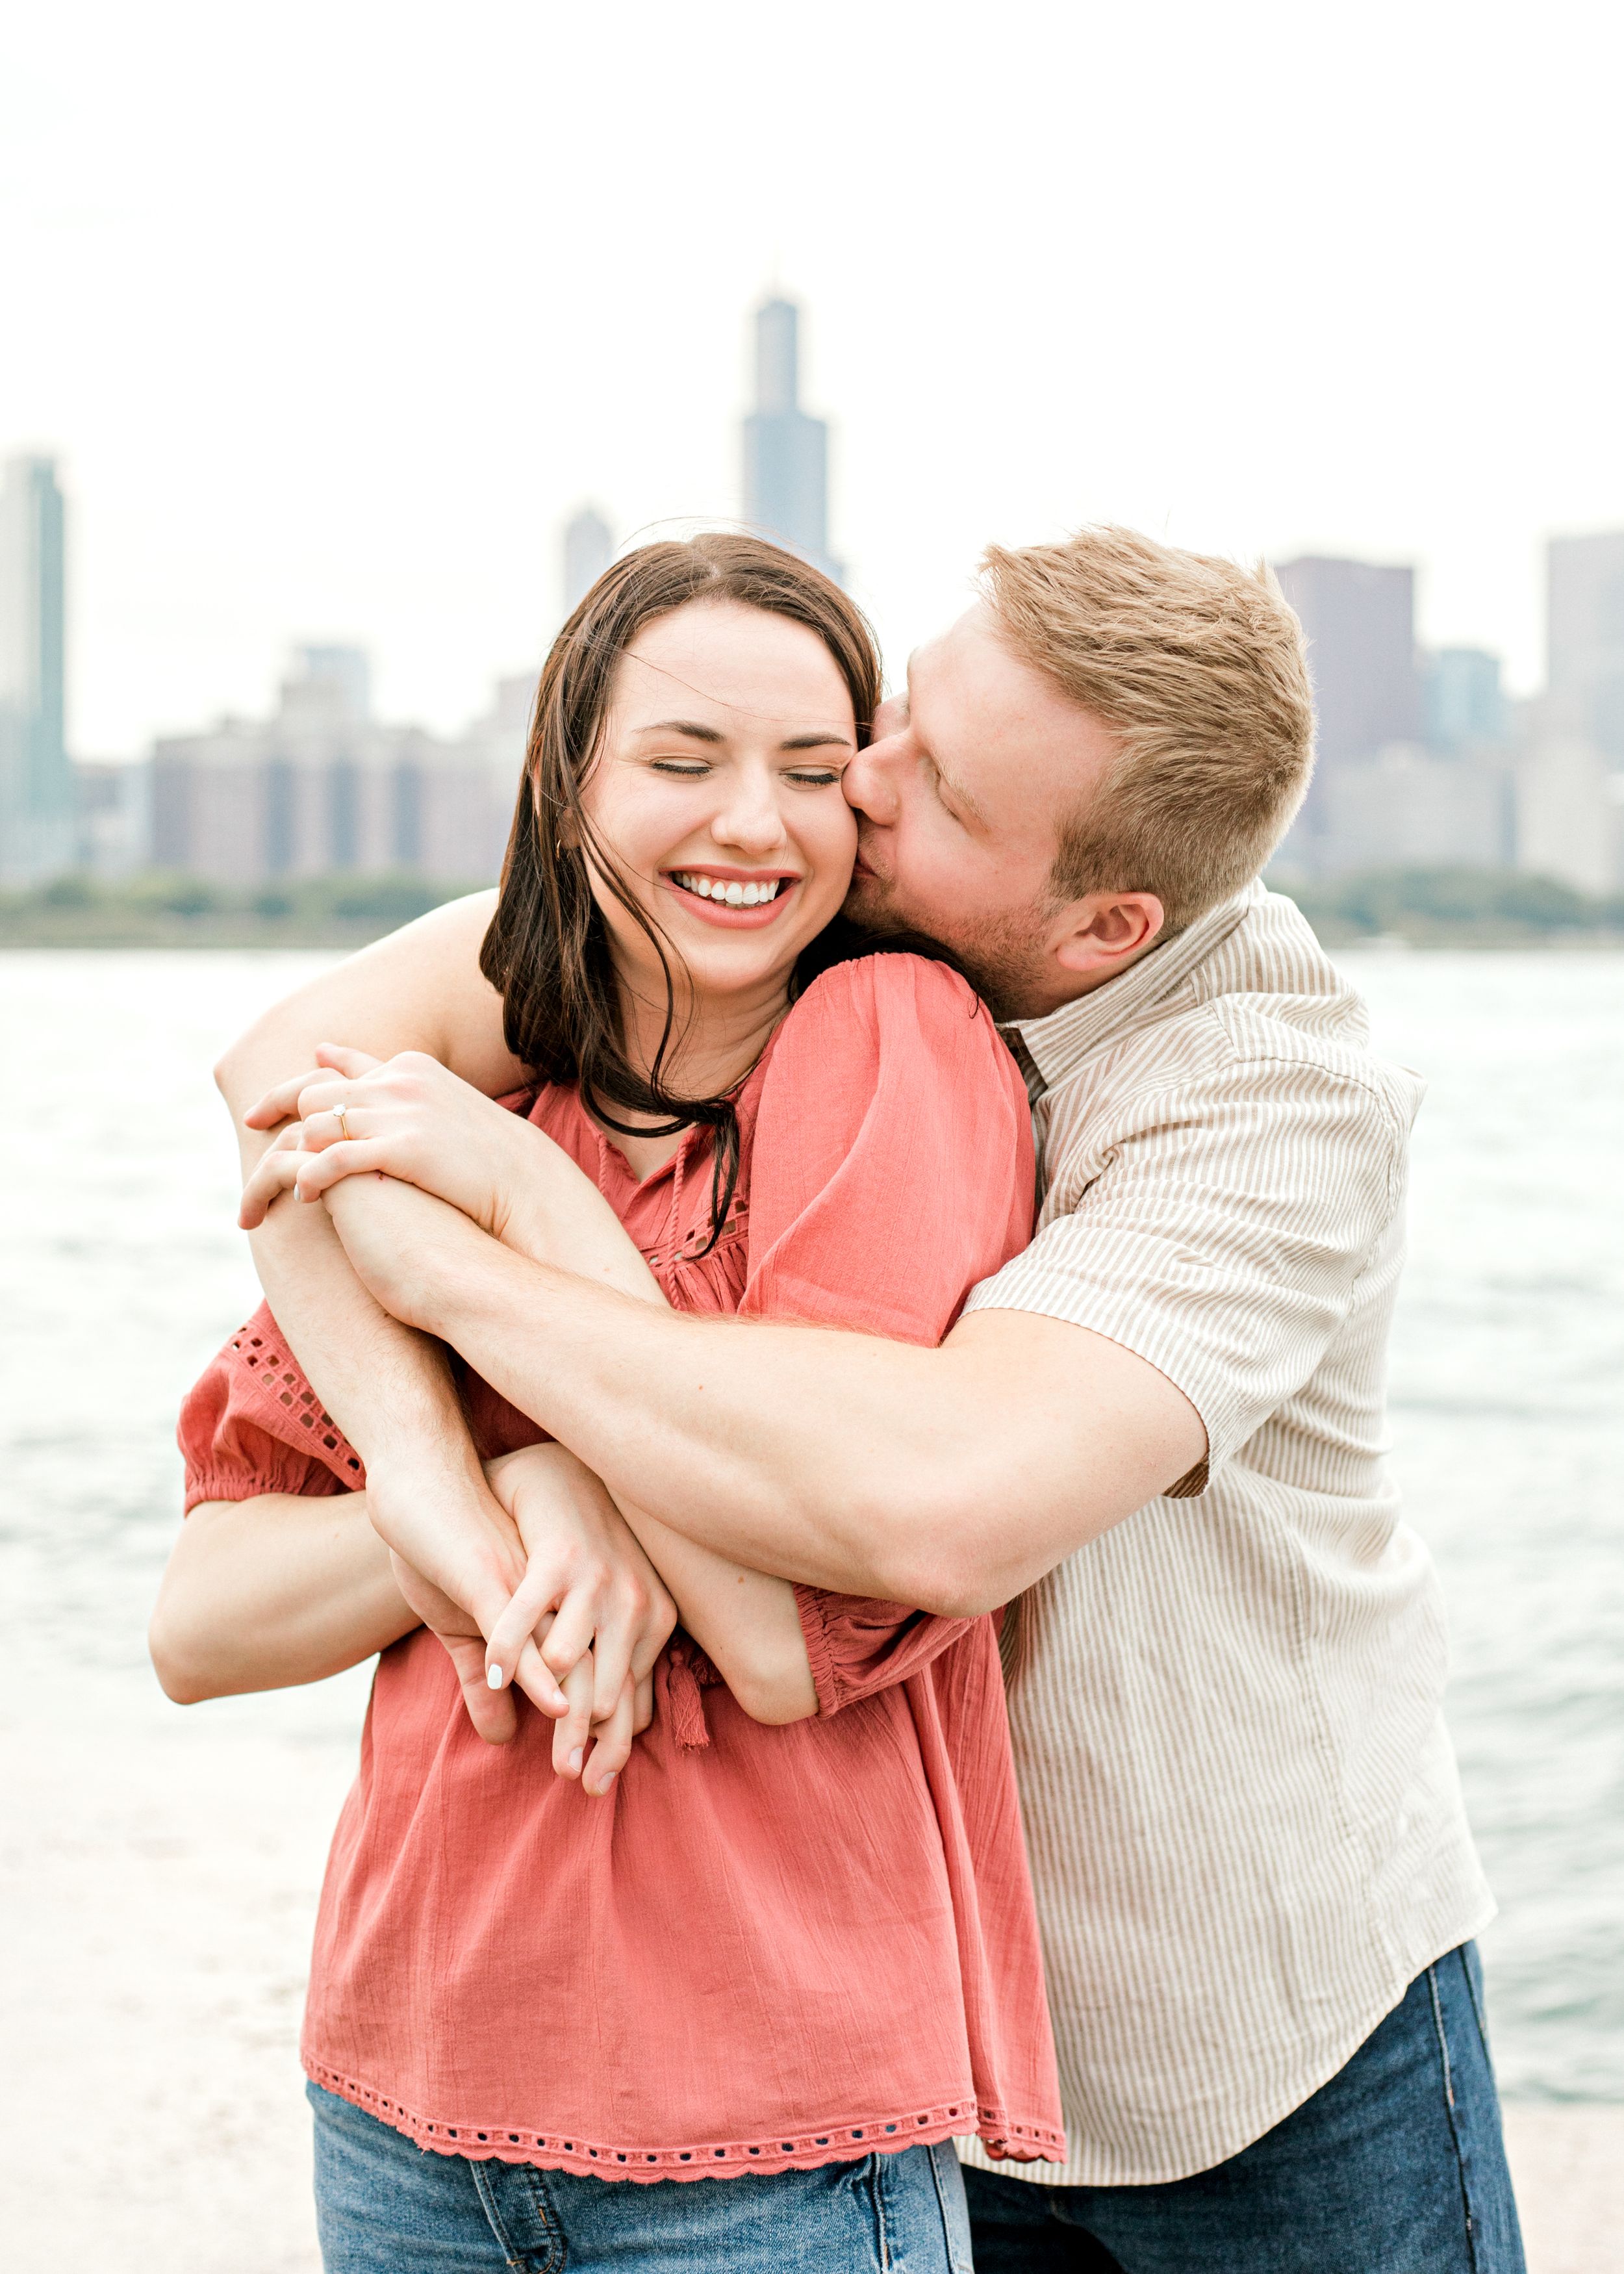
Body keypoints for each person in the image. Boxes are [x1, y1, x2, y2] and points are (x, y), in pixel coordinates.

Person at [201, 526, 1525, 2273]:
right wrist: (460, 1488)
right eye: (891, 722)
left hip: (1240, 2027)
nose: (854, 794)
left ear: (1102, 921)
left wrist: (489, 1266)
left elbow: (936, 1504)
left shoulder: (1264, 1103)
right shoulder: (779, 936)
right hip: (874, 2008)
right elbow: (288, 1073)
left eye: (937, 793)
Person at [151, 535, 1068, 2273]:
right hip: (405, 2105)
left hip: (768, 2140)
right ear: (568, 785)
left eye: (813, 773)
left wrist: (542, 1286)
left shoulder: (887, 1051)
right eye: (678, 760)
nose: (751, 824)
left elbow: (790, 1630)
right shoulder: (461, 1122)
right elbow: (202, 1620)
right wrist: (492, 1498)